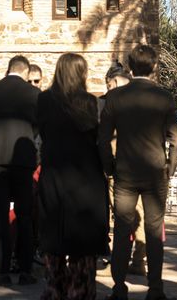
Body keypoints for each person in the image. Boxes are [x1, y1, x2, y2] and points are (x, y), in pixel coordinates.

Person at [99, 44, 177, 300]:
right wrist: (170, 166)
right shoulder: (164, 97)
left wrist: (108, 166)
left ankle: (119, 287)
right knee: (155, 231)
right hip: (155, 170)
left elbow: (103, 139)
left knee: (123, 230)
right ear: (154, 66)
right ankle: (155, 289)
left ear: (130, 67)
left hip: (125, 170)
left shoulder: (115, 98)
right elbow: (176, 139)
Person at [37, 53, 109, 300]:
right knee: (84, 238)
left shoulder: (44, 101)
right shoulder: (91, 103)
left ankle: (55, 287)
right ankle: (81, 288)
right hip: (86, 176)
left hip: (54, 173)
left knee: (53, 233)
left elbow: (42, 134)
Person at [0, 55, 40, 286]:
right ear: (25, 72)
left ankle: (2, 271)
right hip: (22, 159)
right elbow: (37, 126)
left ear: (9, 69)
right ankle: (25, 271)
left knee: (0, 216)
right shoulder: (34, 93)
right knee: (24, 216)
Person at [100, 63, 146, 275]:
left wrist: (108, 165)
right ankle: (139, 261)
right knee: (141, 216)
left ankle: (121, 264)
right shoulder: (146, 99)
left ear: (116, 82)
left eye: (109, 85)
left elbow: (105, 138)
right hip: (145, 166)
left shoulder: (113, 102)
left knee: (122, 217)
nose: (108, 90)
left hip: (120, 167)